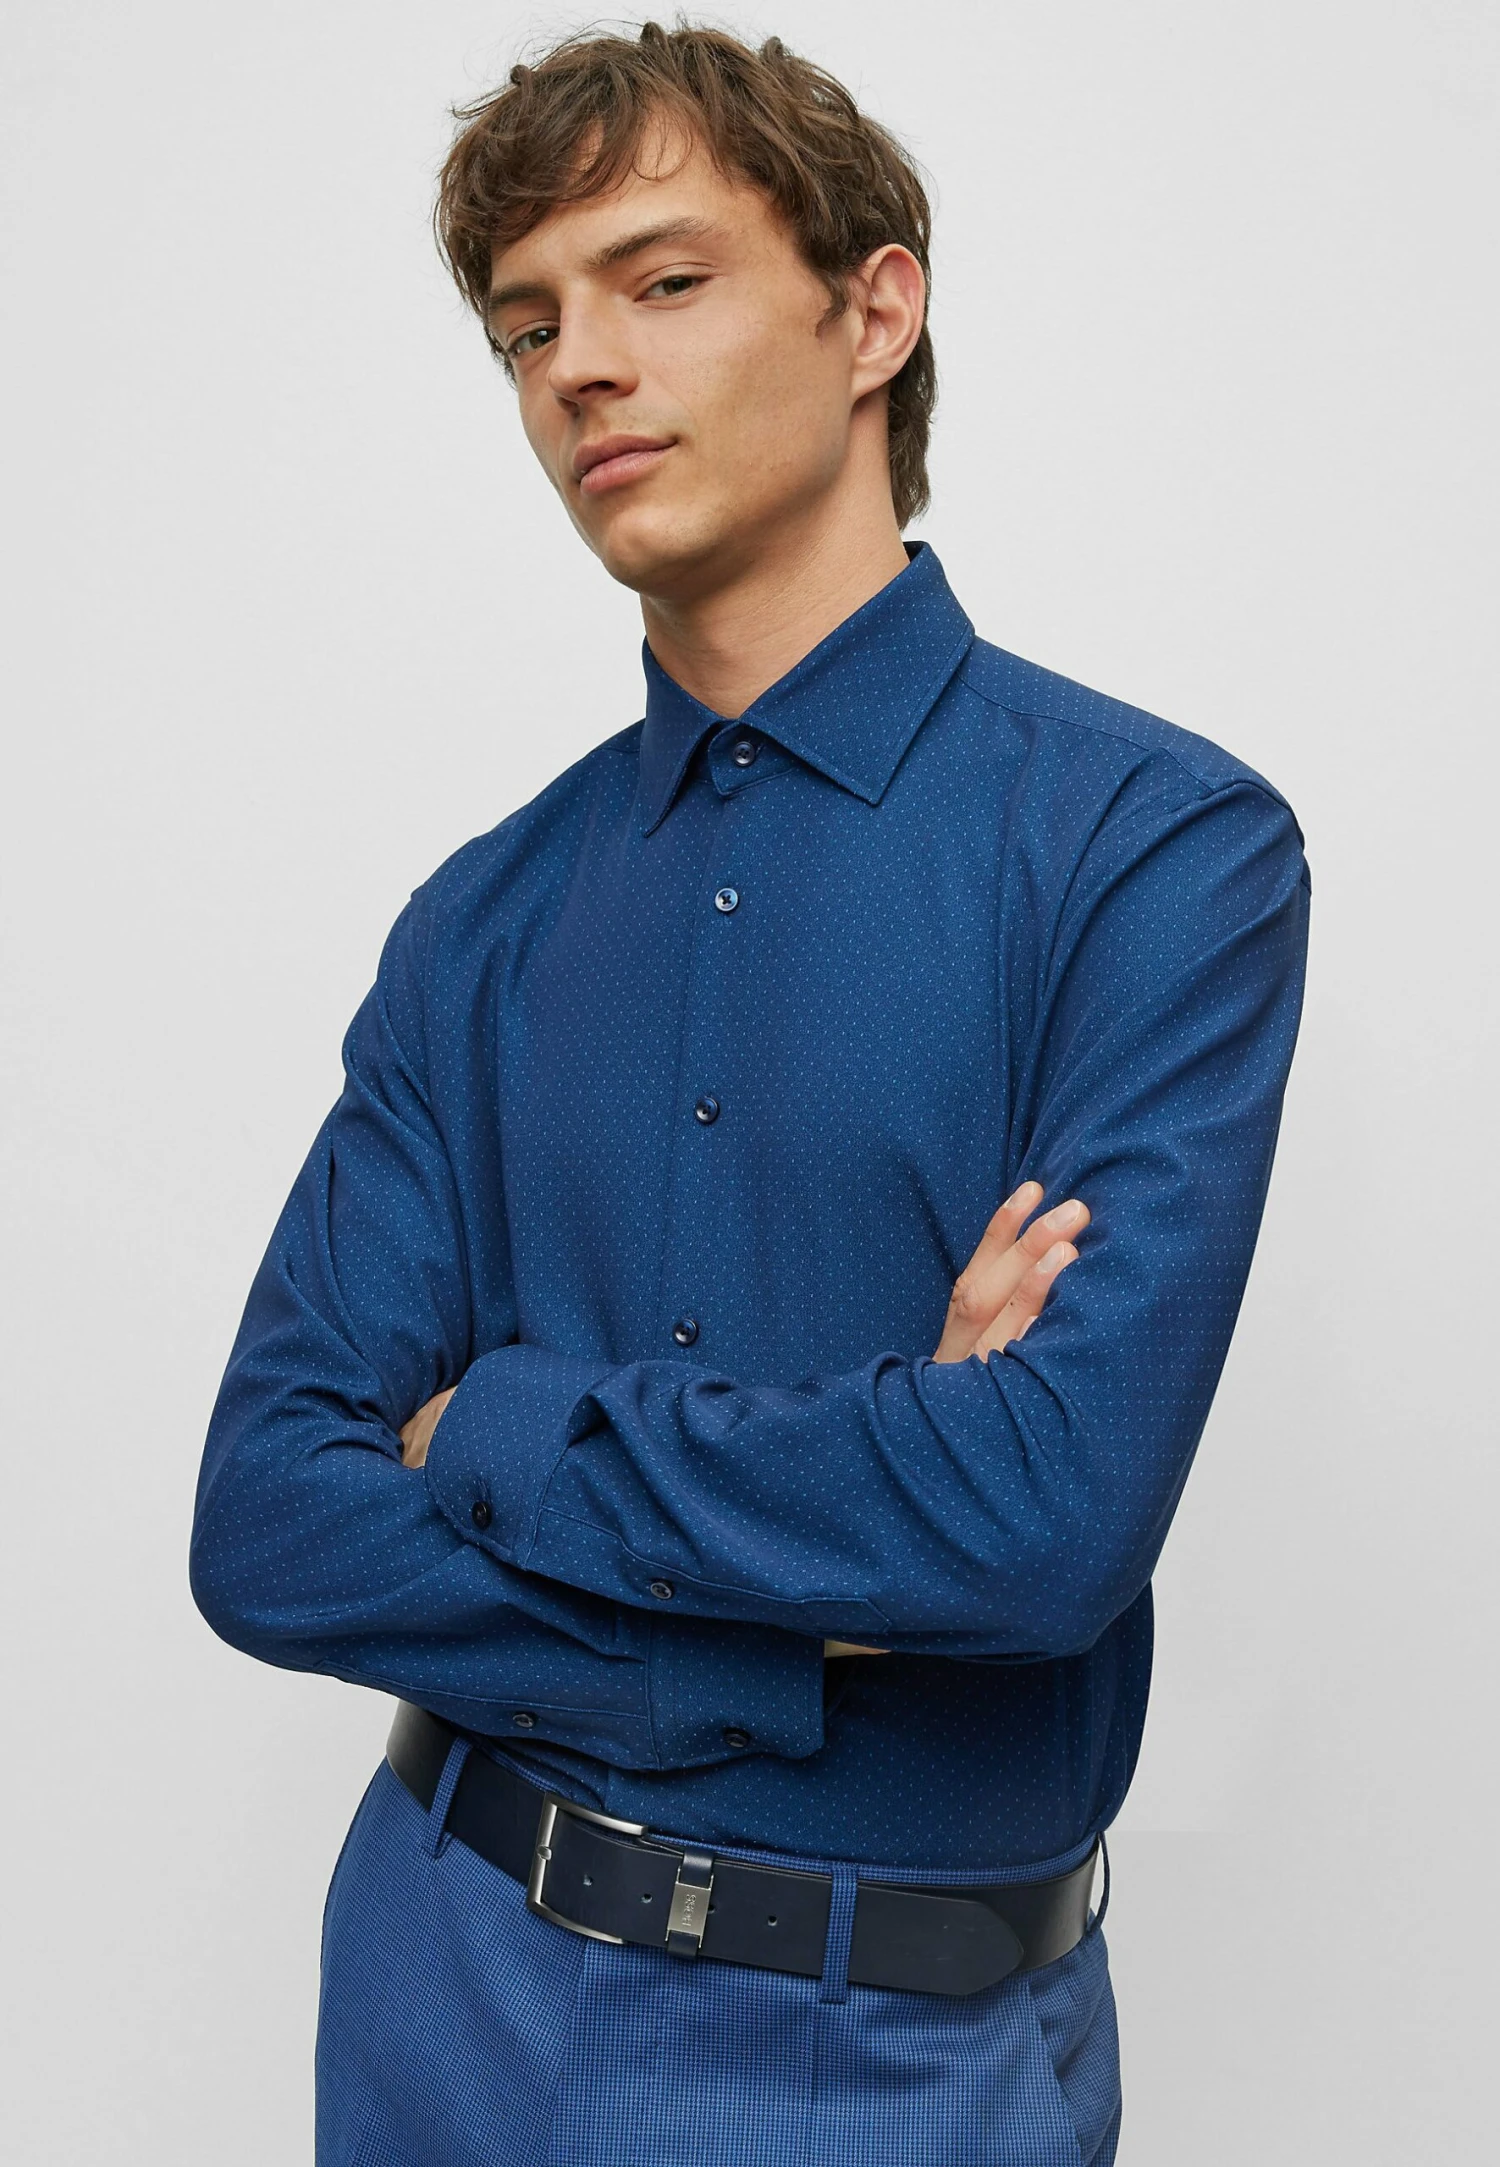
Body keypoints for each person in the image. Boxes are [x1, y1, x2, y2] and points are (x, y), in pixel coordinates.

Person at [189, 22, 1310, 2166]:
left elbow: (1042, 1522)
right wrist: (810, 1618)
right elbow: (266, 1518)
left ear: (874, 313)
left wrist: (491, 1427)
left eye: (664, 280)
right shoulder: (477, 923)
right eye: (529, 325)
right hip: (445, 1981)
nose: (580, 370)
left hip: (897, 2055)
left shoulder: (1156, 853)